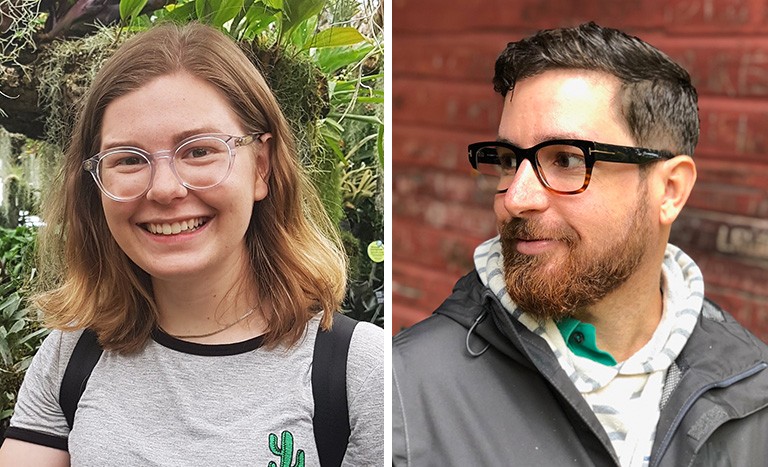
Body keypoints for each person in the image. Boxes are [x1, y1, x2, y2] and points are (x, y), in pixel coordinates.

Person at [0, 22, 383, 466]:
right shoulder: (73, 353)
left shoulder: (354, 371)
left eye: (199, 150)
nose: (164, 189)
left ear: (261, 167)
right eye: (127, 159)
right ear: (96, 184)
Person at [392, 22, 768, 466]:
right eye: (511, 161)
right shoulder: (407, 394)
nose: (516, 199)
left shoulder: (751, 392)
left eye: (567, 160)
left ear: (669, 190)